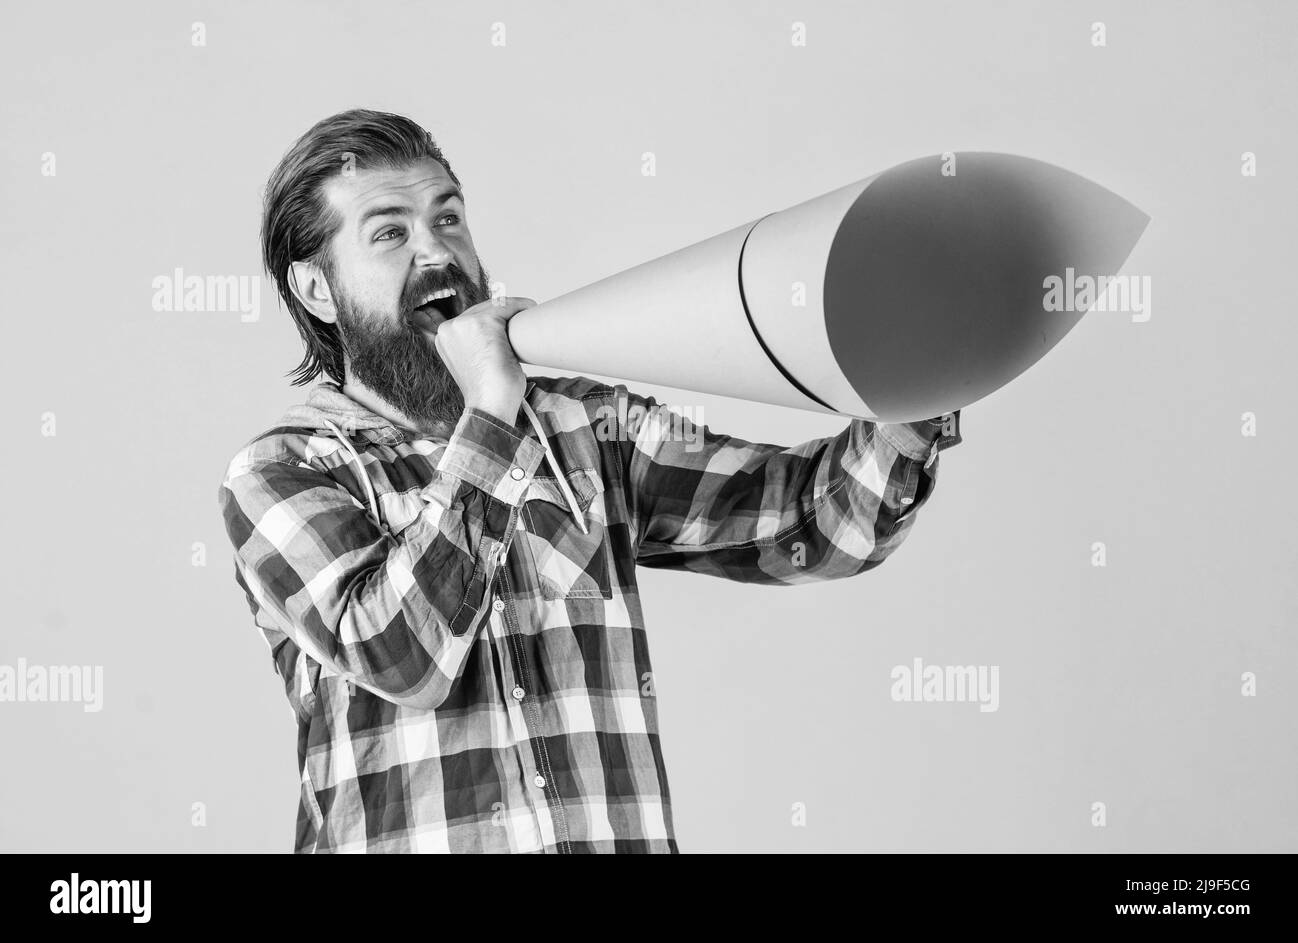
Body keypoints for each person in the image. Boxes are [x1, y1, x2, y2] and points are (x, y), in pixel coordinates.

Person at [217, 109, 963, 853]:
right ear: (317, 287)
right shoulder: (282, 470)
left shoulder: (586, 426)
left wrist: (917, 381)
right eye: (391, 232)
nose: (437, 251)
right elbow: (400, 654)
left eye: (448, 218)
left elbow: (813, 525)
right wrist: (490, 414)